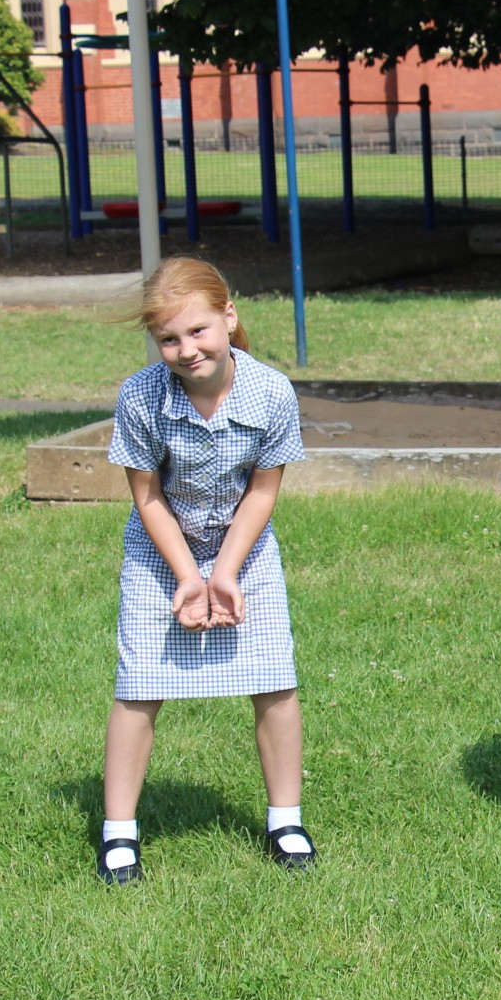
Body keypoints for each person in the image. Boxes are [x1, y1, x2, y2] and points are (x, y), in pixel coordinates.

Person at [99, 258, 312, 884]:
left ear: (229, 317)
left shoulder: (273, 392)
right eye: (169, 338)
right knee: (139, 684)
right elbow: (146, 497)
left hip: (244, 549)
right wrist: (189, 577)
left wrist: (226, 572)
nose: (186, 349)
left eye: (198, 332)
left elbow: (264, 492)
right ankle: (119, 833)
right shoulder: (140, 397)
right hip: (160, 551)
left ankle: (286, 820)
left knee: (275, 679)